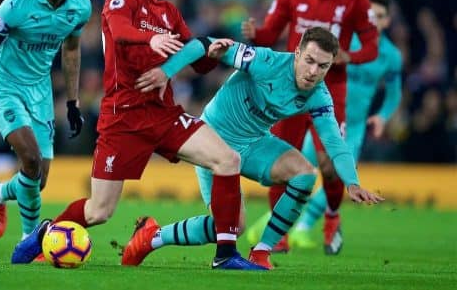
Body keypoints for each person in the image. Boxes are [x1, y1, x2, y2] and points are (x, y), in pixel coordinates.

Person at [9, 0, 262, 270]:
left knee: (228, 160)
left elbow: (197, 61)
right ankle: (44, 232)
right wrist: (152, 37)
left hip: (164, 114)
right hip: (123, 119)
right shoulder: (118, 0)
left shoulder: (169, 12)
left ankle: (226, 255)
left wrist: (211, 53)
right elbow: (122, 30)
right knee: (99, 211)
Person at [123, 27, 383, 270]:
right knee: (231, 228)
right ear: (297, 53)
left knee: (305, 174)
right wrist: (167, 72)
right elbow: (203, 45)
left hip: (255, 142)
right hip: (213, 141)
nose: (314, 71)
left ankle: (261, 252)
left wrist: (352, 182)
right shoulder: (264, 61)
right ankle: (153, 236)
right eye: (310, 61)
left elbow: (334, 142)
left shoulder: (319, 96)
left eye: (323, 66)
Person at [241, 0, 379, 254]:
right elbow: (271, 33)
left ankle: (331, 216)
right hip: (287, 89)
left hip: (331, 89)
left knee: (328, 163)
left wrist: (350, 56)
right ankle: (280, 233)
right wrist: (255, 33)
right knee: (281, 161)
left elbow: (371, 45)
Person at [0, 0, 91, 243]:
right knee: (31, 160)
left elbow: (72, 50)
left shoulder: (80, 7)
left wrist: (73, 103)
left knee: (39, 181)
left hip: (39, 90)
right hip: (4, 86)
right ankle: (30, 240)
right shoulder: (16, 6)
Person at [290, 0, 402, 249]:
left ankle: (303, 227)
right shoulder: (341, 42)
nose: (374, 21)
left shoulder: (391, 56)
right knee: (295, 172)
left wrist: (383, 116)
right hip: (324, 120)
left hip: (353, 127)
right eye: (370, 15)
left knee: (338, 176)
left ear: (388, 21)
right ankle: (277, 227)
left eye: (381, 16)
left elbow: (395, 93)